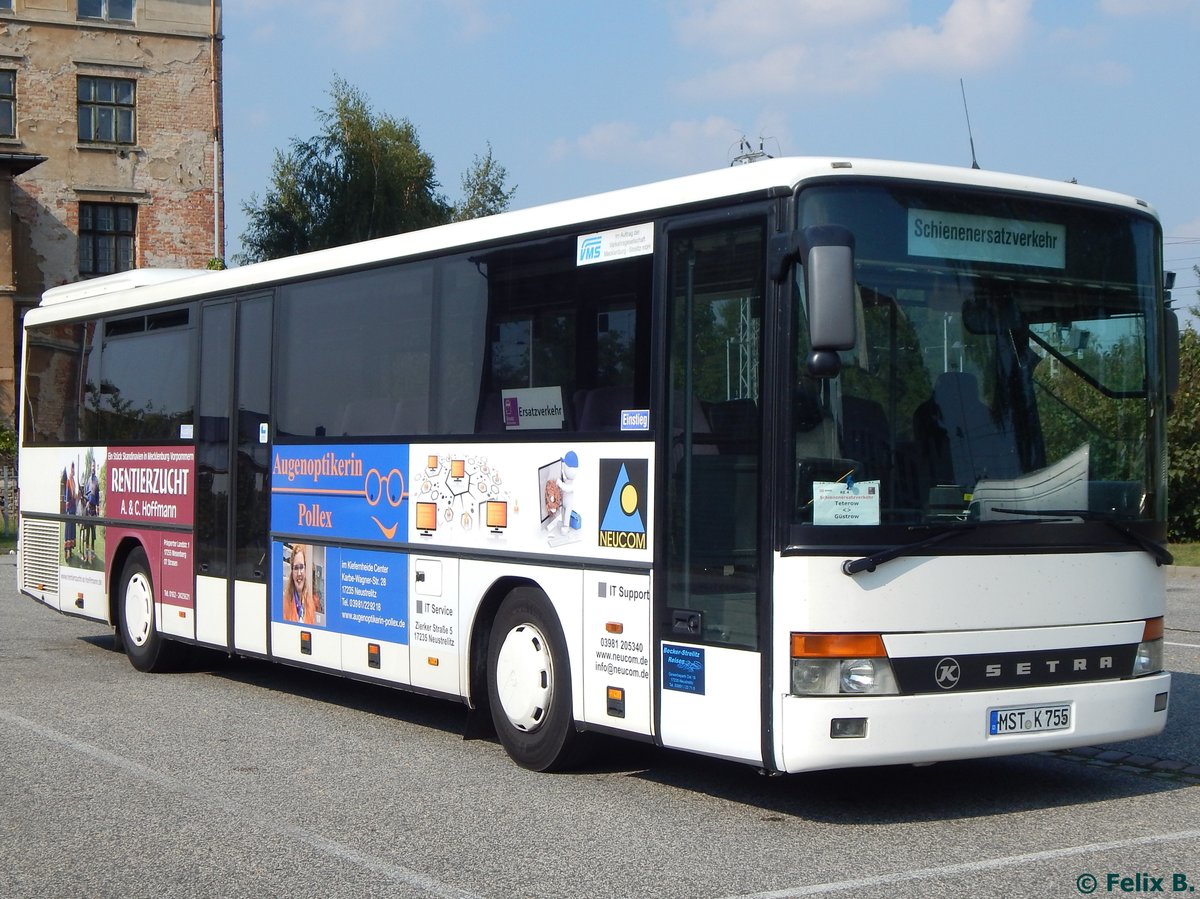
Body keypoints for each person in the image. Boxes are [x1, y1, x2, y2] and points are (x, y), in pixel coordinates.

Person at [282, 544, 319, 625]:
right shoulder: (284, 603)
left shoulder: (312, 602)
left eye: (301, 567)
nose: (299, 573)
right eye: (296, 568)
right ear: (292, 572)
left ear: (305, 569)